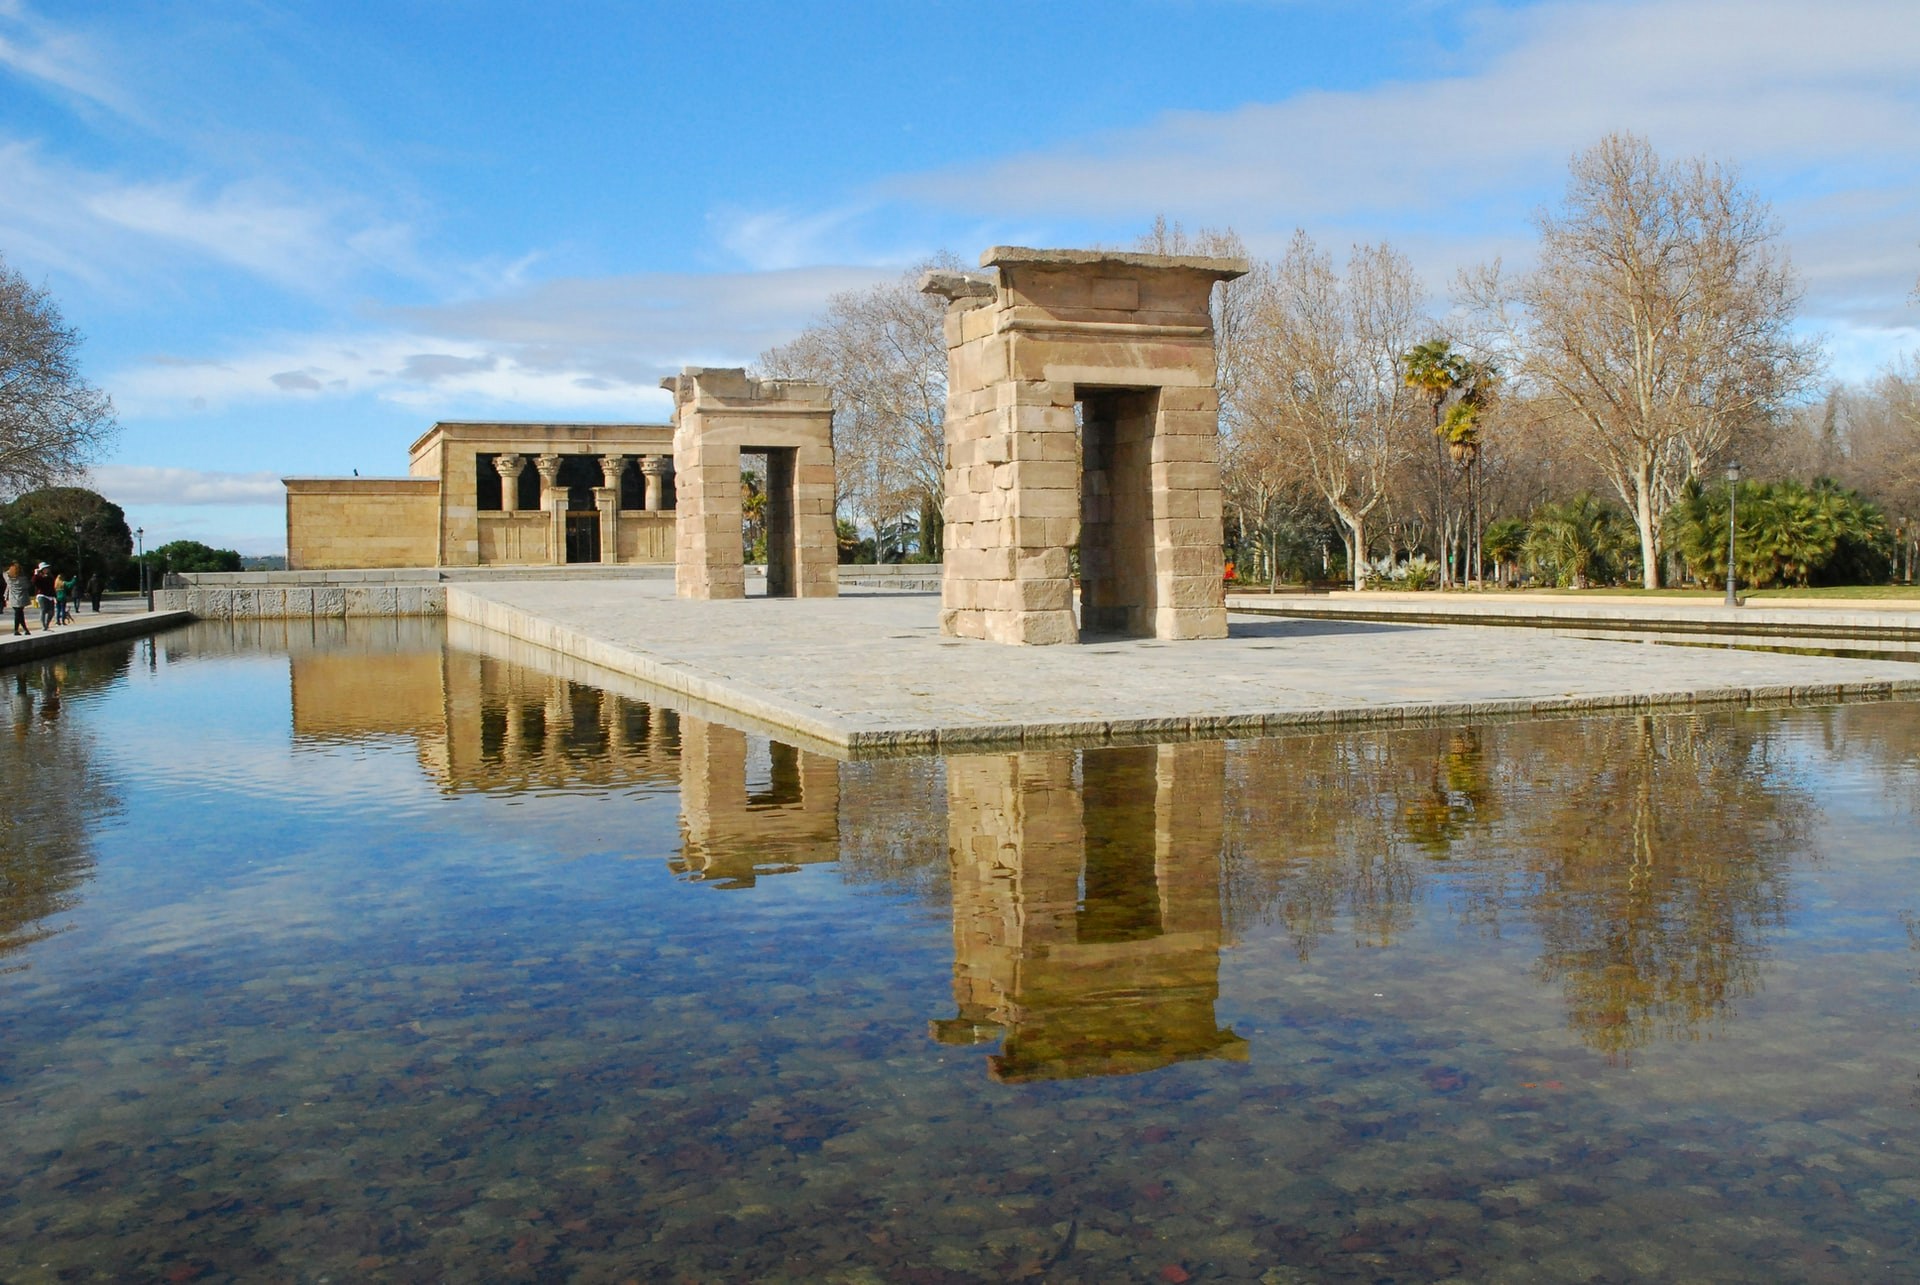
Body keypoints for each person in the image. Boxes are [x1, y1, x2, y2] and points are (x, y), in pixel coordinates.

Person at [4, 563, 30, 636]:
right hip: (21, 598)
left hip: (13, 598)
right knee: (19, 614)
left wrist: (10, 570)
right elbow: (27, 585)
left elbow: (5, 573)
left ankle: (24, 629)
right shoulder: (23, 579)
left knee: (19, 614)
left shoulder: (8, 578)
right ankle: (17, 629)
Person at [31, 563, 55, 631]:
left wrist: (54, 596)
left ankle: (47, 624)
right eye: (45, 568)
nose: (47, 569)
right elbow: (33, 582)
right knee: (43, 610)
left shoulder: (50, 576)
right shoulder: (38, 576)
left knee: (51, 612)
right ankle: (43, 625)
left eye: (47, 568)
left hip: (50, 595)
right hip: (42, 595)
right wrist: (35, 574)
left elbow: (52, 586)